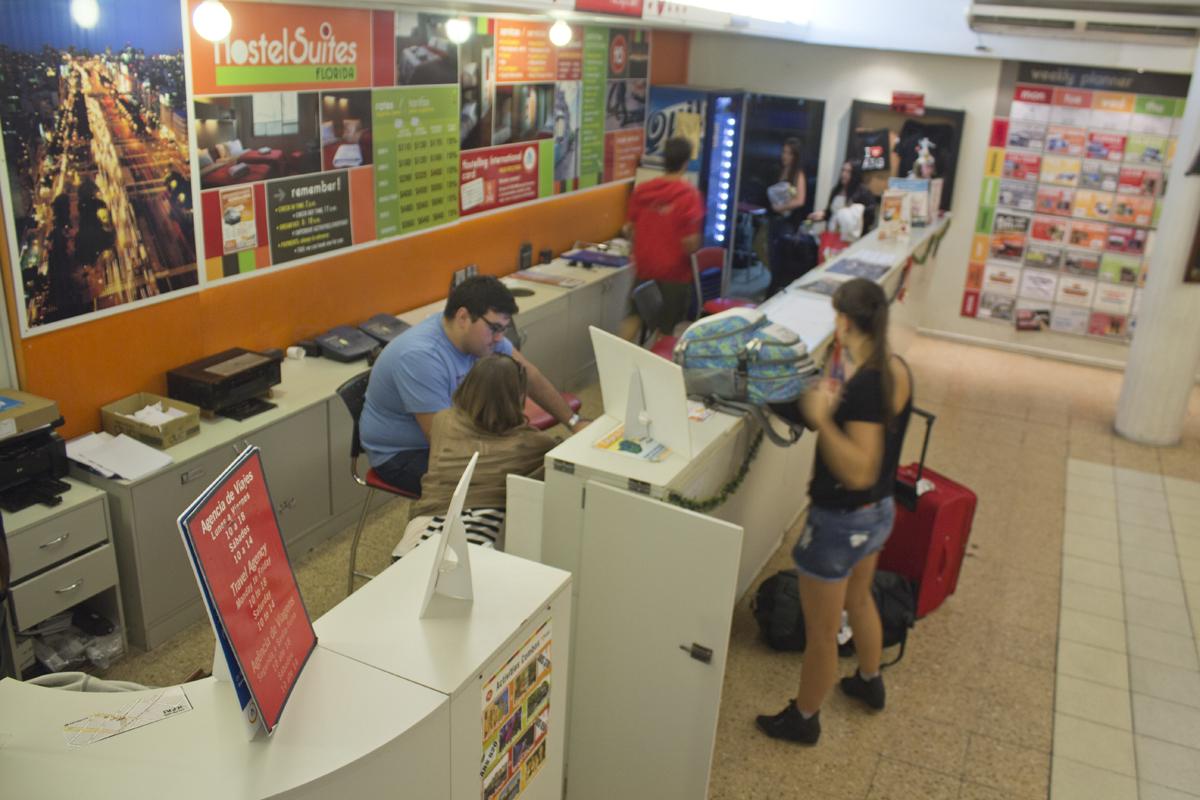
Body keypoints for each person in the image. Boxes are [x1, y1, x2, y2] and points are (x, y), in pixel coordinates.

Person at [756, 278, 913, 745]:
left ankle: (804, 718)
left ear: (843, 321)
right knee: (859, 599)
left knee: (823, 632)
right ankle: (869, 681)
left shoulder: (865, 388)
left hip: (840, 521)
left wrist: (823, 417)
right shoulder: (895, 368)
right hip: (878, 514)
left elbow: (861, 467)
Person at [360, 275, 588, 495]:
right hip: (403, 455)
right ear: (463, 317)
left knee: (524, 471)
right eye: (495, 328)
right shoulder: (420, 357)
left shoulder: (480, 336)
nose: (500, 338)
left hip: (456, 431)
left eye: (504, 329)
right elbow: (443, 441)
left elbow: (529, 375)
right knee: (506, 485)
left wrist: (573, 421)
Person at [397, 354, 559, 554]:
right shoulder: (534, 444)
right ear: (518, 397)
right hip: (478, 544)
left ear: (468, 386)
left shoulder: (443, 421)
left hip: (417, 536)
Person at [623, 136, 704, 337]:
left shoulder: (643, 190)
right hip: (674, 273)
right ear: (686, 162)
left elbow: (629, 229)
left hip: (645, 267)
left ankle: (613, 359)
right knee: (665, 330)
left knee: (634, 316)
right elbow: (690, 243)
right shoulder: (689, 195)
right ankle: (654, 363)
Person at [766, 137, 813, 296]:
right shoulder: (781, 170)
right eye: (784, 152)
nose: (784, 156)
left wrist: (781, 207)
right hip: (776, 220)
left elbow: (800, 200)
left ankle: (775, 291)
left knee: (781, 260)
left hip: (787, 222)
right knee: (772, 256)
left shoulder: (798, 174)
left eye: (788, 153)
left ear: (795, 156)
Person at [808, 159, 877, 235]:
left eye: (848, 172)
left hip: (850, 237)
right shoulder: (836, 190)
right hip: (833, 235)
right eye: (843, 170)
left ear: (855, 174)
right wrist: (821, 215)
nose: (844, 174)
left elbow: (870, 215)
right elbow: (830, 213)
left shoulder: (863, 192)